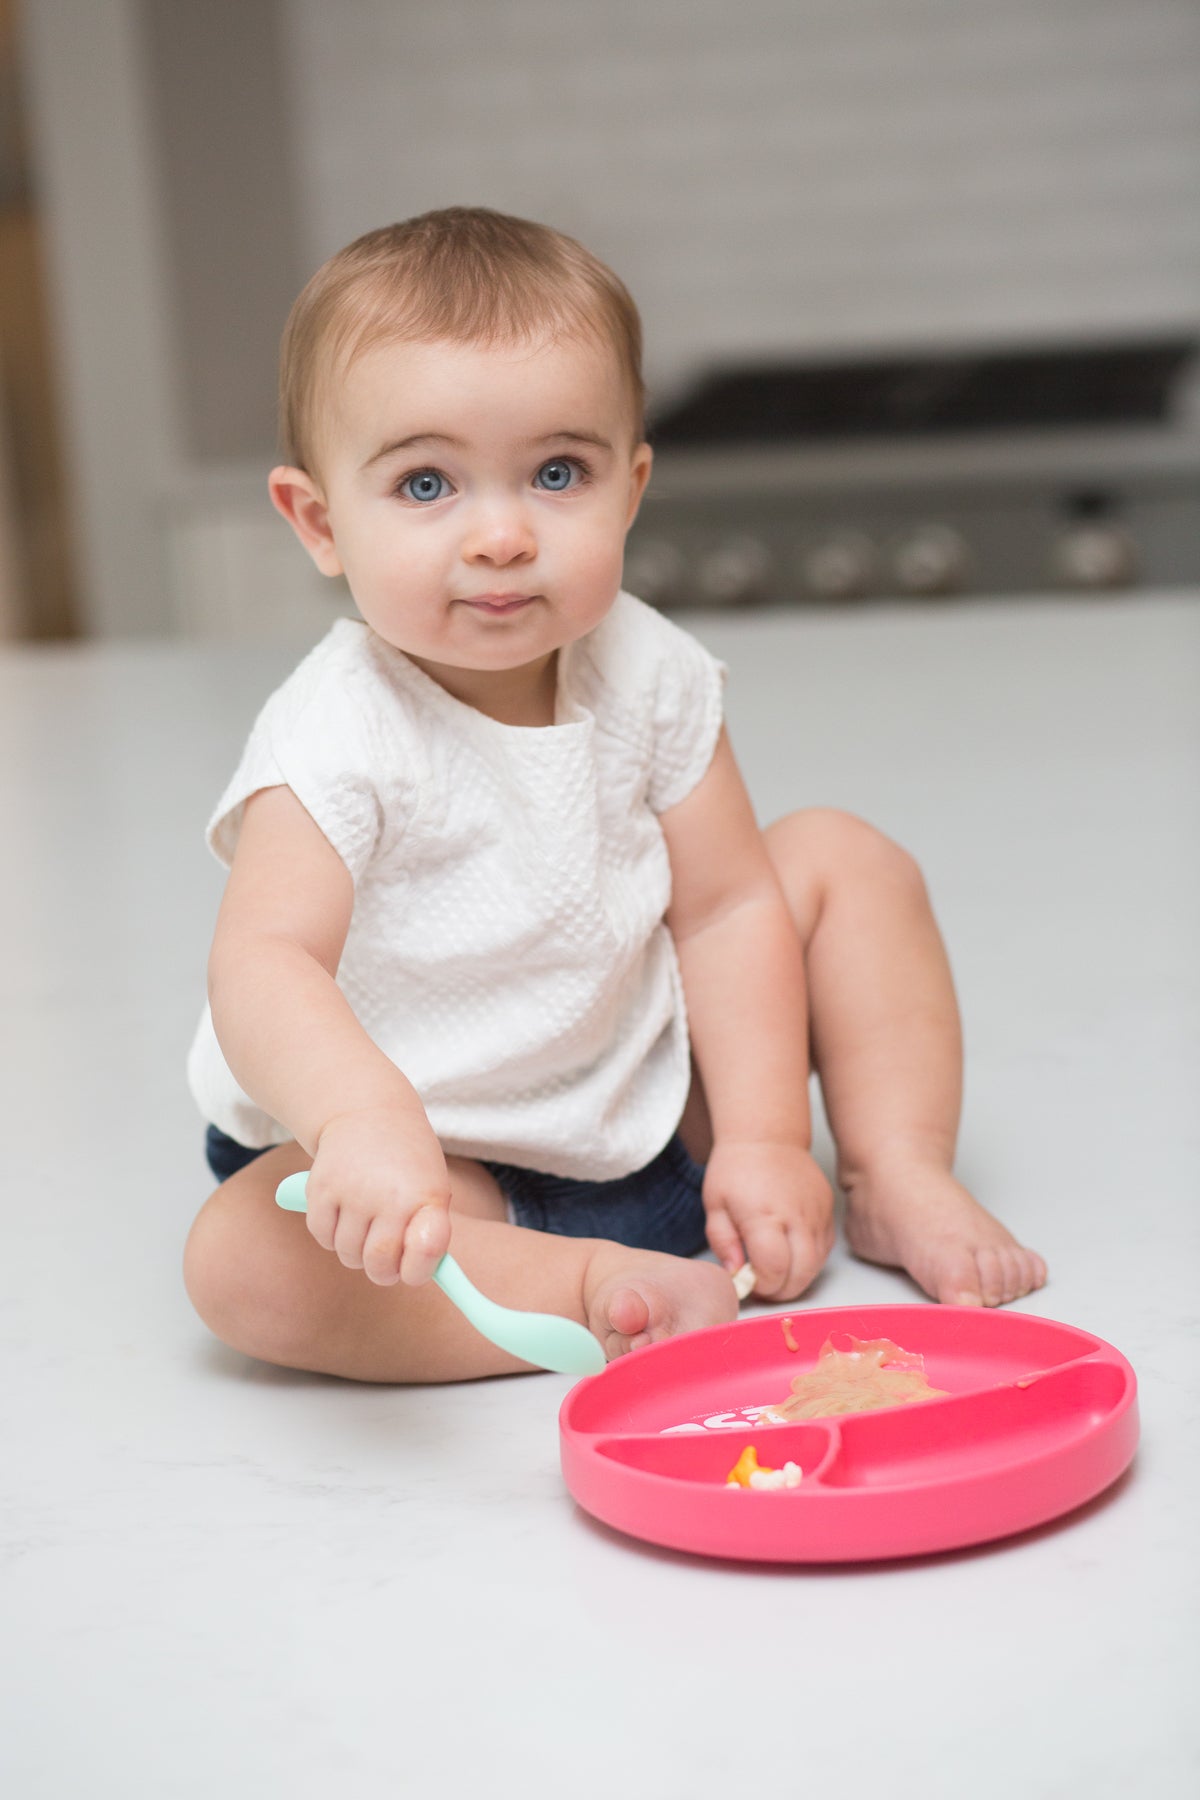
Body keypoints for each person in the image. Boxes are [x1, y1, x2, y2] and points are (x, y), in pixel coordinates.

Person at [183, 206, 1046, 1383]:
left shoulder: (650, 671)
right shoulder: (334, 733)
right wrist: (357, 1121)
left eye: (557, 474)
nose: (501, 535)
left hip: (646, 1113)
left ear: (630, 488)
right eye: (427, 483)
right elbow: (263, 963)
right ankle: (590, 1288)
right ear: (319, 522)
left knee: (841, 859)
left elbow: (727, 910)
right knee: (244, 1260)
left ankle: (895, 1169)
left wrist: (762, 1137)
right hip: (437, 1182)